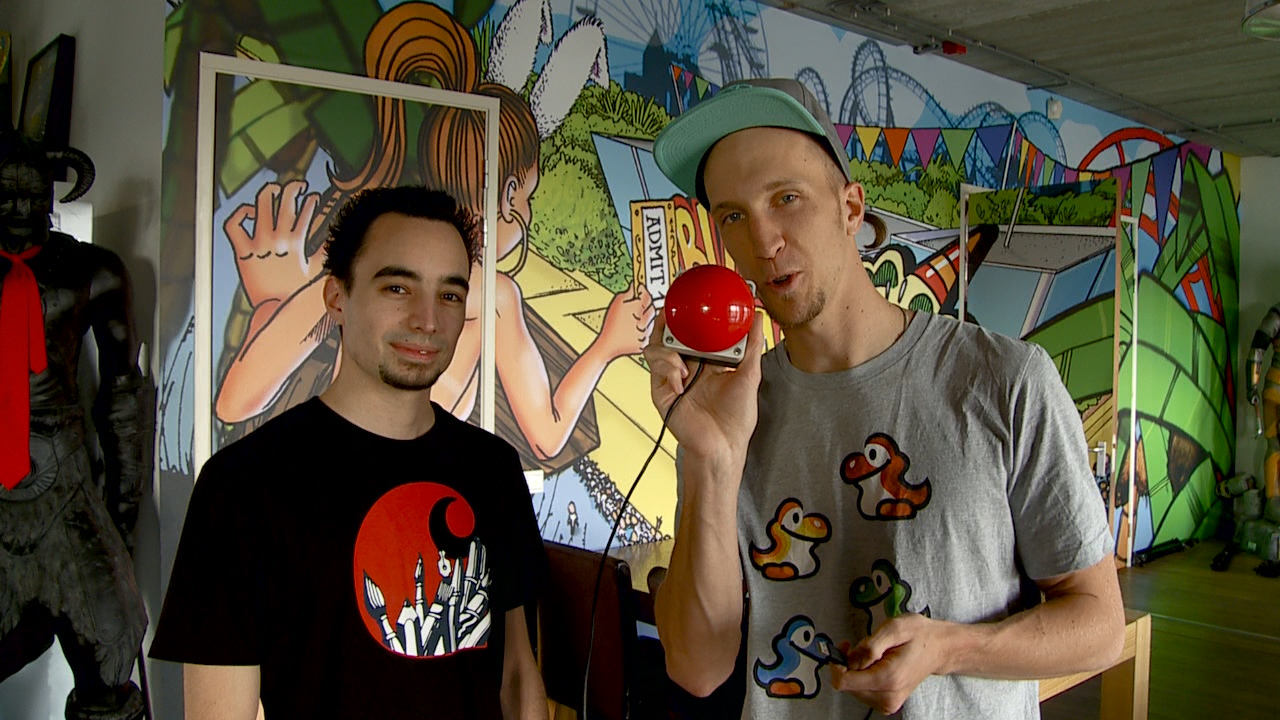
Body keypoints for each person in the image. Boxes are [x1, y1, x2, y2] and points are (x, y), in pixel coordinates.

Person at [644, 78, 1125, 718]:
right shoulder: (730, 410)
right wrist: (712, 458)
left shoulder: (1006, 381)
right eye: (734, 215)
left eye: (786, 198)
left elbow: (1100, 625)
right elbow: (696, 668)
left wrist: (950, 649)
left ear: (850, 208)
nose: (763, 242)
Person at [150, 186, 549, 719]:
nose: (428, 320)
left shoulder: (493, 468)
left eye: (450, 295)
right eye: (397, 288)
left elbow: (519, 677)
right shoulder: (241, 486)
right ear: (337, 297)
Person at [0, 134, 148, 720]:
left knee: (112, 648)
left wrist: (122, 514)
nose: (20, 209)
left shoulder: (91, 270)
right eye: (5, 196)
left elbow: (122, 394)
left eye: (32, 195)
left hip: (65, 481)